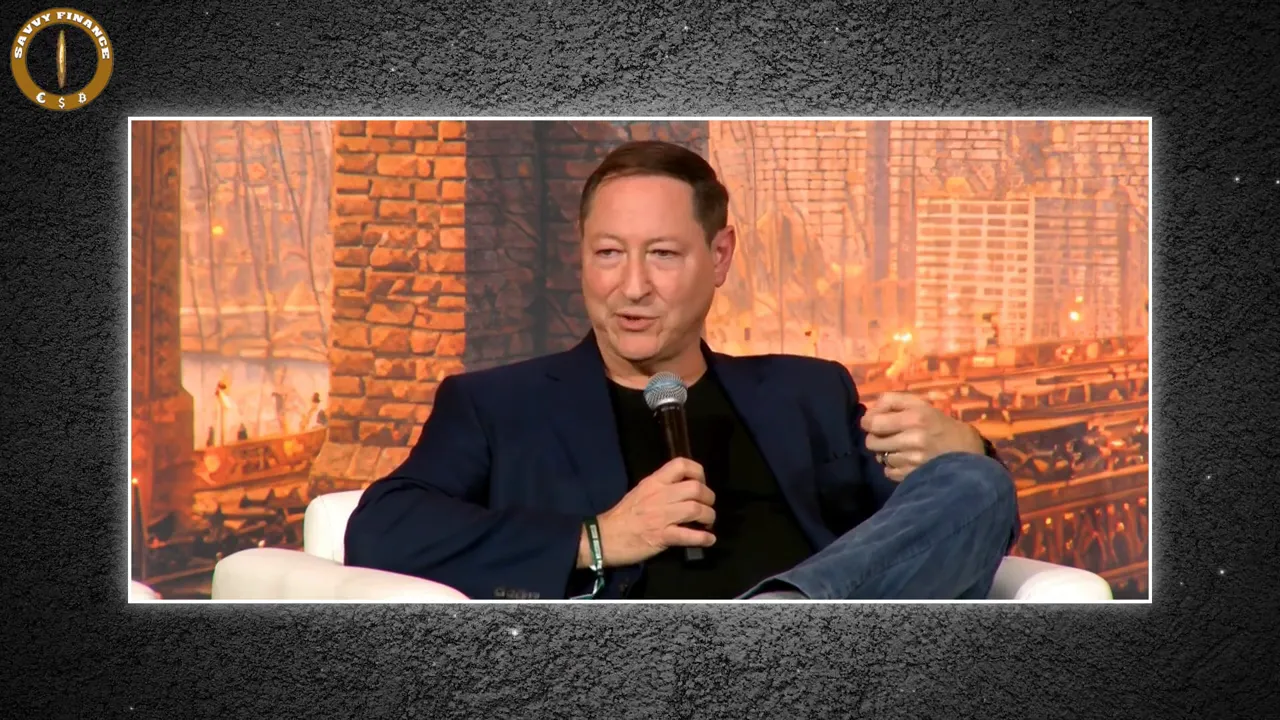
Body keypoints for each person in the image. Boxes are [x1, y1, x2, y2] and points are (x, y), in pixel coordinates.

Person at [344, 140, 1019, 600]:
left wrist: (962, 451)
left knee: (978, 482)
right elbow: (380, 530)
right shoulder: (496, 405)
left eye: (662, 255)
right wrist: (600, 539)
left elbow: (929, 532)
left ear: (719, 257)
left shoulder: (806, 392)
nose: (631, 287)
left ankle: (784, 620)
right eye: (608, 253)